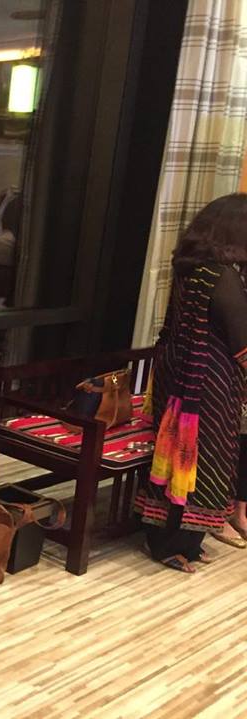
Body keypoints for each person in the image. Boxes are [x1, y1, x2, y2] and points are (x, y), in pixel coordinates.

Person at [135, 193, 247, 572]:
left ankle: (181, 542)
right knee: (202, 462)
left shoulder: (191, 268)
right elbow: (241, 341)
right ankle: (171, 545)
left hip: (178, 375)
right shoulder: (223, 276)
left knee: (177, 459)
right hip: (208, 384)